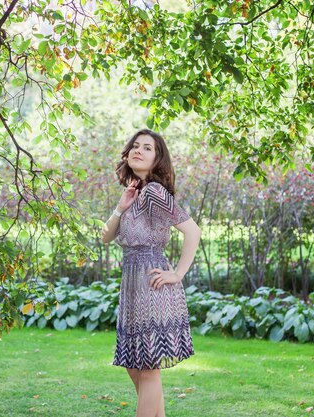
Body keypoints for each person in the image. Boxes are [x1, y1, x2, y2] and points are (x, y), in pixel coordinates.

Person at [101, 129, 202, 417]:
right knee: (136, 367)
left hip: (152, 283)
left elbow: (192, 231)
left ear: (157, 159)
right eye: (135, 146)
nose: (138, 151)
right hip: (132, 285)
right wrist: (121, 207)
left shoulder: (155, 192)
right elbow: (106, 236)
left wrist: (177, 274)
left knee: (147, 367)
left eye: (147, 148)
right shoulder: (135, 193)